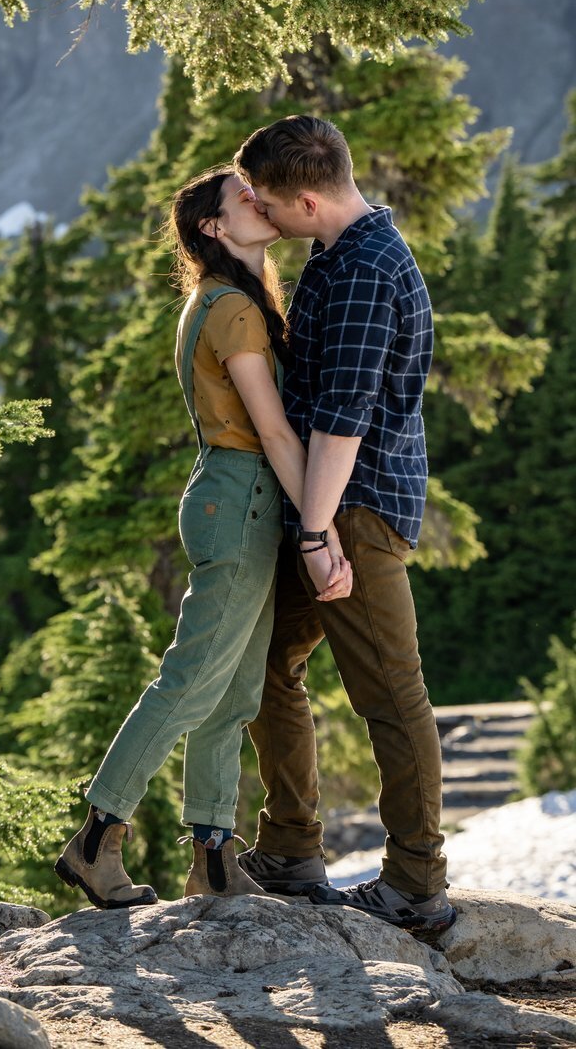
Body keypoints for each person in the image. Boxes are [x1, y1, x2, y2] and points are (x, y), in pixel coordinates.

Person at [55, 165, 351, 909]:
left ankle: (213, 856)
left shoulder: (225, 301)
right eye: (242, 198)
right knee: (191, 680)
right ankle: (96, 839)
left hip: (233, 493)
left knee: (235, 689)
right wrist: (319, 532)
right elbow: (275, 430)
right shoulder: (234, 311)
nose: (260, 200)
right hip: (242, 491)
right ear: (214, 230)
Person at [233, 114, 455, 935]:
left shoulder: (365, 270)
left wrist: (320, 534)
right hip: (323, 507)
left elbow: (343, 419)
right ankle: (290, 848)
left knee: (392, 696)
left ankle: (416, 885)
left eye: (266, 200)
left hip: (353, 510)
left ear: (309, 198)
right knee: (259, 662)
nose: (257, 207)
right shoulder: (333, 252)